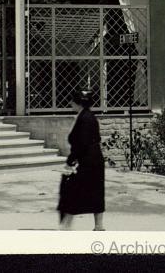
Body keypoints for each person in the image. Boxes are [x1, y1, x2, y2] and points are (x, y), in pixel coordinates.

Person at [58, 88, 105, 230]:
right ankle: (98, 226)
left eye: (73, 101)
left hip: (87, 161)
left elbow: (81, 143)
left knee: (71, 190)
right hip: (93, 160)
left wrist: (71, 161)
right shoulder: (87, 116)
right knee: (95, 192)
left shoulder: (84, 118)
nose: (71, 103)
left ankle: (66, 225)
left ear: (78, 103)